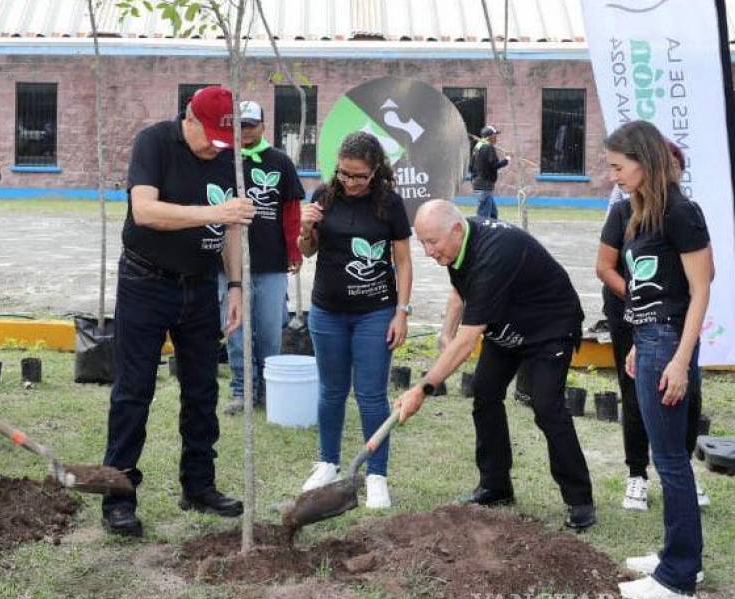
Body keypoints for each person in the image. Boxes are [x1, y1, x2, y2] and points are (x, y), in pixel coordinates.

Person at [101, 86, 254, 537]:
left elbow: (231, 227)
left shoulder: (230, 157)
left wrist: (237, 285)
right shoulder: (154, 142)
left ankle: (199, 484)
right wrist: (213, 210)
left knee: (203, 389)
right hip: (145, 281)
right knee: (133, 390)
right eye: (207, 137)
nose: (214, 148)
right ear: (188, 119)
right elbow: (144, 211)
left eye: (222, 141)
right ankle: (119, 494)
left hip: (201, 286)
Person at [395, 199, 596, 531]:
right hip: (506, 323)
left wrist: (423, 388)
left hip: (550, 326)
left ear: (455, 230)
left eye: (432, 242)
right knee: (485, 391)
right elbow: (460, 293)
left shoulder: (494, 254)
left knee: (547, 406)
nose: (428, 251)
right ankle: (495, 486)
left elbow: (468, 339)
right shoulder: (458, 242)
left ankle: (580, 500)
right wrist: (445, 331)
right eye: (423, 242)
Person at [601, 120, 710, 599]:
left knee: (668, 458)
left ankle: (678, 578)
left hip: (670, 342)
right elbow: (651, 287)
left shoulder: (682, 212)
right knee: (667, 457)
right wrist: (639, 342)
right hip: (651, 338)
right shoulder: (641, 214)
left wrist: (680, 359)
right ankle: (678, 554)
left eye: (619, 167)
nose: (614, 177)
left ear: (645, 161)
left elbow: (701, 288)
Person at [296, 131, 412, 508]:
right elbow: (307, 252)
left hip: (375, 312)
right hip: (327, 311)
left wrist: (401, 312)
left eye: (359, 176)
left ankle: (376, 474)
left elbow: (403, 262)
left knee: (371, 394)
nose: (351, 182)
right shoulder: (323, 198)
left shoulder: (389, 204)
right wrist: (305, 228)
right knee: (331, 391)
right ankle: (327, 462)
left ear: (375, 170)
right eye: (345, 174)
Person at [218, 100, 304, 415]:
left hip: (271, 263)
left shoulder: (280, 162)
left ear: (263, 126)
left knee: (270, 331)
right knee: (236, 333)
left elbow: (291, 211)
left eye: (251, 125)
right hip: (229, 267)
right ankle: (242, 390)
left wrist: (293, 250)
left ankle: (270, 388)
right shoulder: (225, 161)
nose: (245, 131)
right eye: (240, 126)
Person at [469, 125, 510, 219]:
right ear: (490, 136)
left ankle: (494, 231)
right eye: (495, 135)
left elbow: (471, 167)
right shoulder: (488, 147)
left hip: (478, 183)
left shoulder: (477, 147)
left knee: (493, 214)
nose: (496, 138)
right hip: (485, 185)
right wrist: (507, 159)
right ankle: (481, 233)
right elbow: (494, 165)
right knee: (483, 215)